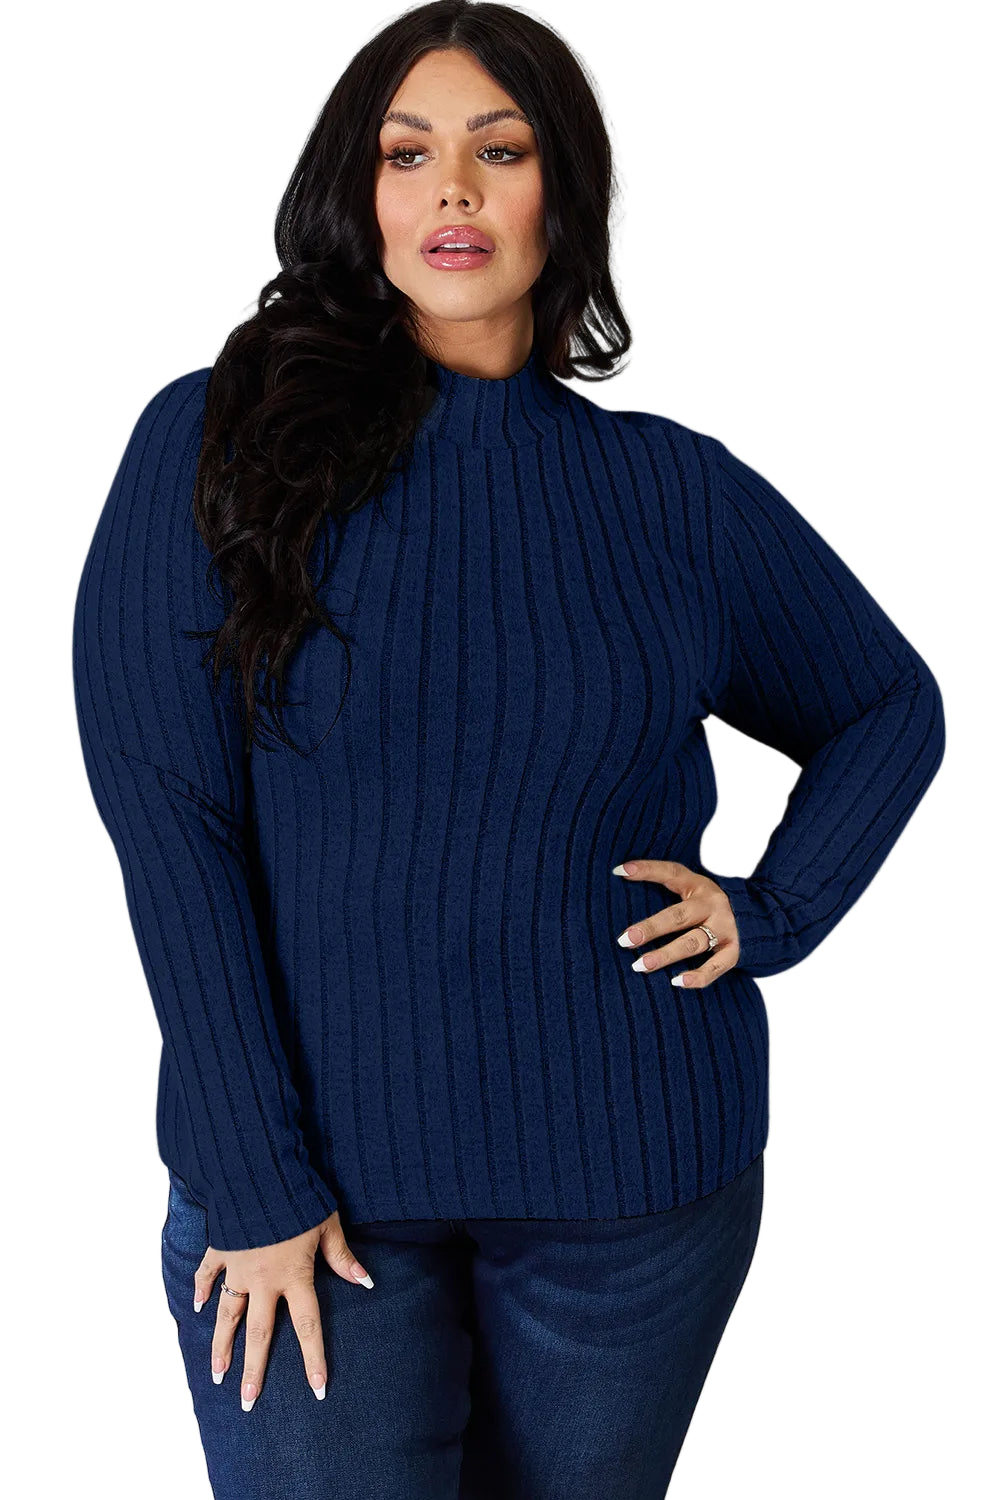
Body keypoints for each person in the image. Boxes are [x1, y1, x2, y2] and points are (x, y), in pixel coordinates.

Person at [71, 5, 946, 1497]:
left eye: (504, 149)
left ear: (565, 193)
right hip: (309, 1195)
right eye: (407, 155)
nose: (456, 190)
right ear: (355, 194)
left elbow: (887, 706)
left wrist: (772, 910)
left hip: (635, 1183)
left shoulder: (672, 492)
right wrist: (250, 1173)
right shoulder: (214, 443)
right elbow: (169, 819)